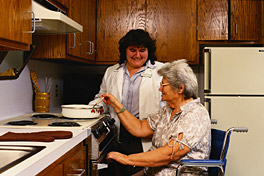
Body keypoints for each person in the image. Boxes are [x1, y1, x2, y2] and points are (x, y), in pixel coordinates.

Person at [101, 59, 211, 176]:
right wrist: (116, 105)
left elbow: (170, 154)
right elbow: (140, 128)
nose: (160, 89)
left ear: (180, 88)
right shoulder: (167, 110)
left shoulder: (195, 115)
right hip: (153, 172)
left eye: (163, 85)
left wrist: (126, 159)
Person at [88, 29, 165, 175]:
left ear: (149, 51)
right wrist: (88, 110)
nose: (137, 55)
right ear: (125, 51)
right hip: (118, 133)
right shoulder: (112, 71)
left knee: (143, 170)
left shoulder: (161, 71)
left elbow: (167, 104)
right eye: (132, 50)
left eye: (142, 50)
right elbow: (102, 98)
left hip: (147, 131)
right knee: (119, 168)